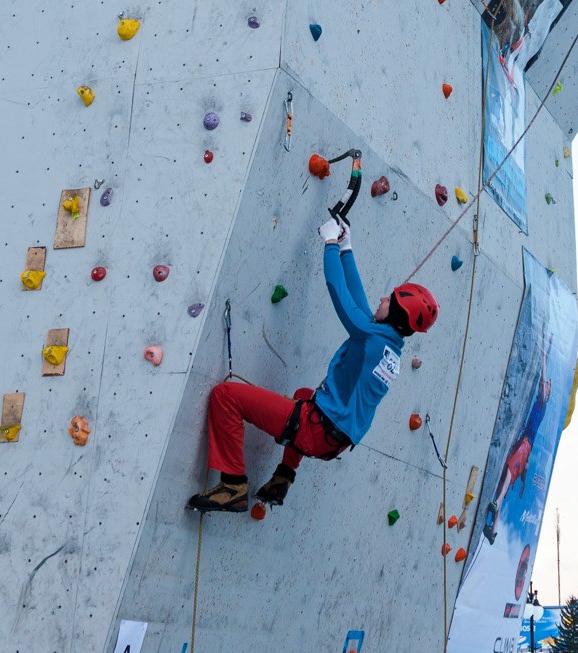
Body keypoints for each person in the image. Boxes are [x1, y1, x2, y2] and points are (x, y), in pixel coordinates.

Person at [187, 214, 437, 513]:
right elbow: (358, 300)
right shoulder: (388, 346)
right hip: (332, 441)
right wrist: (347, 247)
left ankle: (232, 485)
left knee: (224, 396)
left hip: (315, 429)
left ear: (395, 314)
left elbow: (338, 291)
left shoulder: (372, 336)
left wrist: (330, 243)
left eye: (389, 300)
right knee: (306, 392)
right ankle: (283, 476)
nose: (382, 299)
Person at [482, 348, 551, 544]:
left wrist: (544, 360)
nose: (545, 386)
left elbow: (542, 381)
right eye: (545, 385)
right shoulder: (540, 402)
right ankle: (493, 530)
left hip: (526, 445)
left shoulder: (542, 404)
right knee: (506, 480)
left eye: (548, 386)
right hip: (525, 444)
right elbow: (541, 383)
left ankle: (495, 507)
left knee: (508, 475)